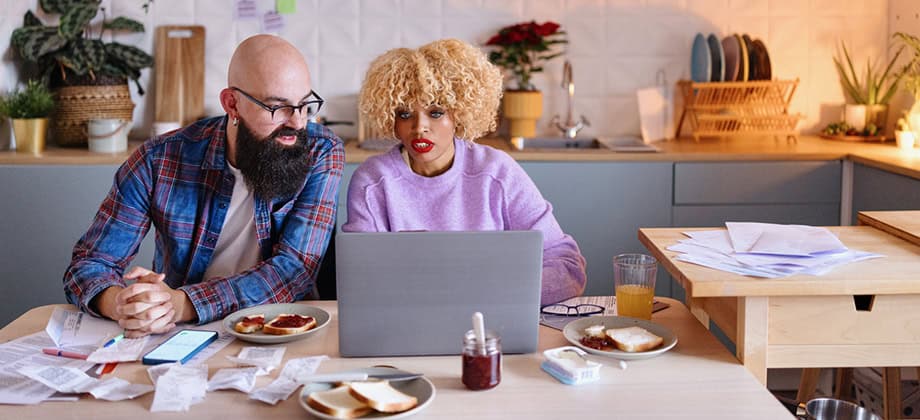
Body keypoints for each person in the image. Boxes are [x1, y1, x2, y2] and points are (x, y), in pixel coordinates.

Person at [63, 35, 344, 337]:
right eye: (278, 108)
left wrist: (181, 303)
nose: (298, 123)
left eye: (304, 106)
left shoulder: (322, 152)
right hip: (181, 333)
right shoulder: (158, 159)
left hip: (285, 329)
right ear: (232, 104)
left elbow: (294, 270)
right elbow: (90, 264)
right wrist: (122, 303)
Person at [343, 38, 586, 305]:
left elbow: (566, 265)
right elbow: (361, 280)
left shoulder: (497, 172)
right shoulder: (372, 182)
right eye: (404, 114)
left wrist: (496, 294)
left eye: (436, 113)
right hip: (408, 325)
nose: (419, 127)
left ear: (459, 114)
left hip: (493, 322)